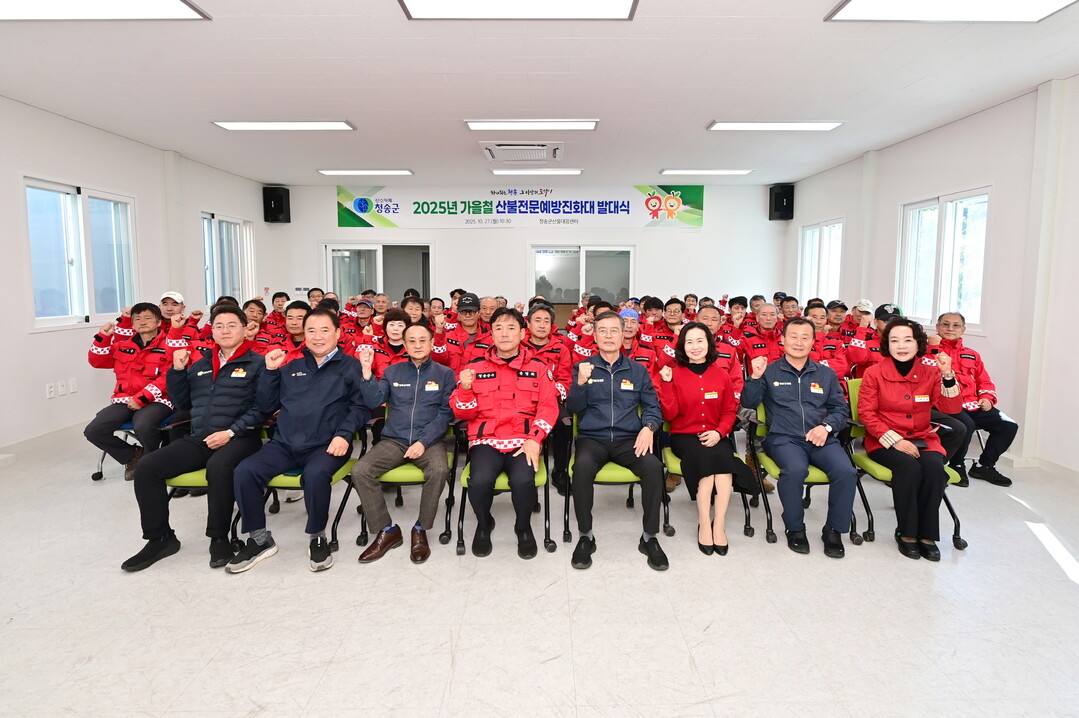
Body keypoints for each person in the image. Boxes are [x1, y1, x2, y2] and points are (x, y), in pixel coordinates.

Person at [121, 304, 268, 571]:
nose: (225, 331)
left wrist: (230, 432)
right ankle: (160, 538)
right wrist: (177, 372)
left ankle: (219, 537)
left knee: (219, 466)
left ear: (246, 330)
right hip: (200, 438)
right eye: (219, 326)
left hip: (241, 438)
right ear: (211, 330)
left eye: (232, 325)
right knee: (147, 467)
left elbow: (263, 408)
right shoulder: (200, 365)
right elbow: (183, 404)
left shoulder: (258, 364)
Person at [228, 308, 368, 573]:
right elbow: (266, 405)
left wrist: (344, 434)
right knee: (245, 471)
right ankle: (259, 539)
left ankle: (318, 536)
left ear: (338, 333)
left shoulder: (351, 367)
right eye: (311, 331)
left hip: (327, 444)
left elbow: (360, 408)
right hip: (285, 443)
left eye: (325, 330)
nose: (317, 337)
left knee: (315, 475)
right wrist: (270, 371)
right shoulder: (290, 367)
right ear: (303, 334)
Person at [741, 317, 856, 558]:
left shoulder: (825, 374)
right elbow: (748, 402)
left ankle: (834, 530)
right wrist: (754, 377)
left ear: (813, 342)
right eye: (793, 336)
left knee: (846, 472)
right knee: (794, 471)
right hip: (783, 438)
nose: (798, 342)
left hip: (821, 437)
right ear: (782, 340)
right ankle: (795, 528)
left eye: (805, 337)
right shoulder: (770, 370)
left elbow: (840, 409)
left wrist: (826, 427)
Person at [450, 308, 559, 559]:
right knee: (479, 481)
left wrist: (535, 439)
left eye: (511, 328)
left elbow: (548, 407)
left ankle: (523, 527)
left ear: (523, 332)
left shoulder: (539, 367)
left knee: (523, 481)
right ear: (491, 333)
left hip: (524, 440)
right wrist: (465, 390)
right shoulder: (475, 367)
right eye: (498, 328)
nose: (504, 333)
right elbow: (461, 412)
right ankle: (484, 523)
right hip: (486, 441)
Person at [565, 311, 669, 571]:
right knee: (582, 468)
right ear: (595, 336)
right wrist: (579, 383)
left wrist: (649, 427)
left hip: (628, 439)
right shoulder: (584, 367)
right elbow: (573, 408)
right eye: (603, 330)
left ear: (625, 334)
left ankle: (649, 537)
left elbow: (653, 406)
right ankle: (586, 535)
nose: (609, 336)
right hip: (593, 438)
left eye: (614, 330)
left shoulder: (638, 370)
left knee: (654, 467)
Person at [858, 318, 963, 560]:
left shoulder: (930, 373)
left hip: (922, 437)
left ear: (918, 344)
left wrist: (947, 374)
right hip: (883, 440)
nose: (901, 346)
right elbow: (867, 413)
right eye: (895, 340)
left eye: (908, 340)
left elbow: (951, 408)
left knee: (935, 470)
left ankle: (927, 535)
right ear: (887, 344)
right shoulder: (875, 373)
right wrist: (895, 441)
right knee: (909, 468)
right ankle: (906, 533)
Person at [352, 323, 456, 564]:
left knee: (439, 469)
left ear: (431, 343)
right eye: (412, 341)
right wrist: (367, 373)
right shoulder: (392, 372)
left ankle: (420, 528)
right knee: (360, 470)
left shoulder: (444, 374)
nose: (417, 345)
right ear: (405, 344)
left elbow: (445, 414)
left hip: (429, 442)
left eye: (422, 340)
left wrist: (423, 441)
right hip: (394, 440)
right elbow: (374, 400)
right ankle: (387, 531)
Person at [657, 322, 739, 557]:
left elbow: (729, 411)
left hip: (715, 433)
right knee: (706, 464)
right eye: (689, 342)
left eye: (700, 341)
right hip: (684, 435)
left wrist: (719, 432)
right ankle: (704, 522)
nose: (695, 346)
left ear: (709, 343)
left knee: (724, 467)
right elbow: (670, 415)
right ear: (683, 346)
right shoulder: (675, 372)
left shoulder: (721, 374)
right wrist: (665, 383)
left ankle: (719, 524)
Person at [85, 302, 174, 480]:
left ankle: (152, 463)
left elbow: (168, 378)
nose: (142, 322)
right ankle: (133, 456)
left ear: (158, 322)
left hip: (158, 400)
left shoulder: (169, 345)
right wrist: (103, 336)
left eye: (148, 318)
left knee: (143, 425)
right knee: (94, 430)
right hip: (123, 399)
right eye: (137, 319)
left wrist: (142, 398)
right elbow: (97, 361)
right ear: (132, 324)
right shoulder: (122, 345)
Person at [929, 312, 1019, 487]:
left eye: (956, 325)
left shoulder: (972, 355)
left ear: (963, 330)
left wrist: (987, 398)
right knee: (966, 425)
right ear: (937, 327)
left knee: (1008, 425)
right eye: (945, 324)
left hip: (973, 404)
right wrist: (933, 349)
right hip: (943, 404)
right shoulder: (926, 350)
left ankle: (984, 466)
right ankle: (956, 464)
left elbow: (984, 381)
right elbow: (925, 375)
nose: (950, 328)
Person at [524, 304, 574, 494]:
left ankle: (559, 471)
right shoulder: (519, 347)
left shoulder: (560, 350)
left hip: (551, 401)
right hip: (523, 400)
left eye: (547, 321)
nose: (542, 325)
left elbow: (565, 381)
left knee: (565, 423)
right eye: (537, 320)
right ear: (528, 324)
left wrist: (547, 394)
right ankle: (525, 469)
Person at [432, 292, 491, 373]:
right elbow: (438, 361)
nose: (467, 315)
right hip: (451, 384)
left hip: (478, 384)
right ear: (458, 314)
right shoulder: (447, 336)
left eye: (472, 311)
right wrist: (438, 331)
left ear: (479, 313)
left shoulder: (489, 337)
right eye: (463, 312)